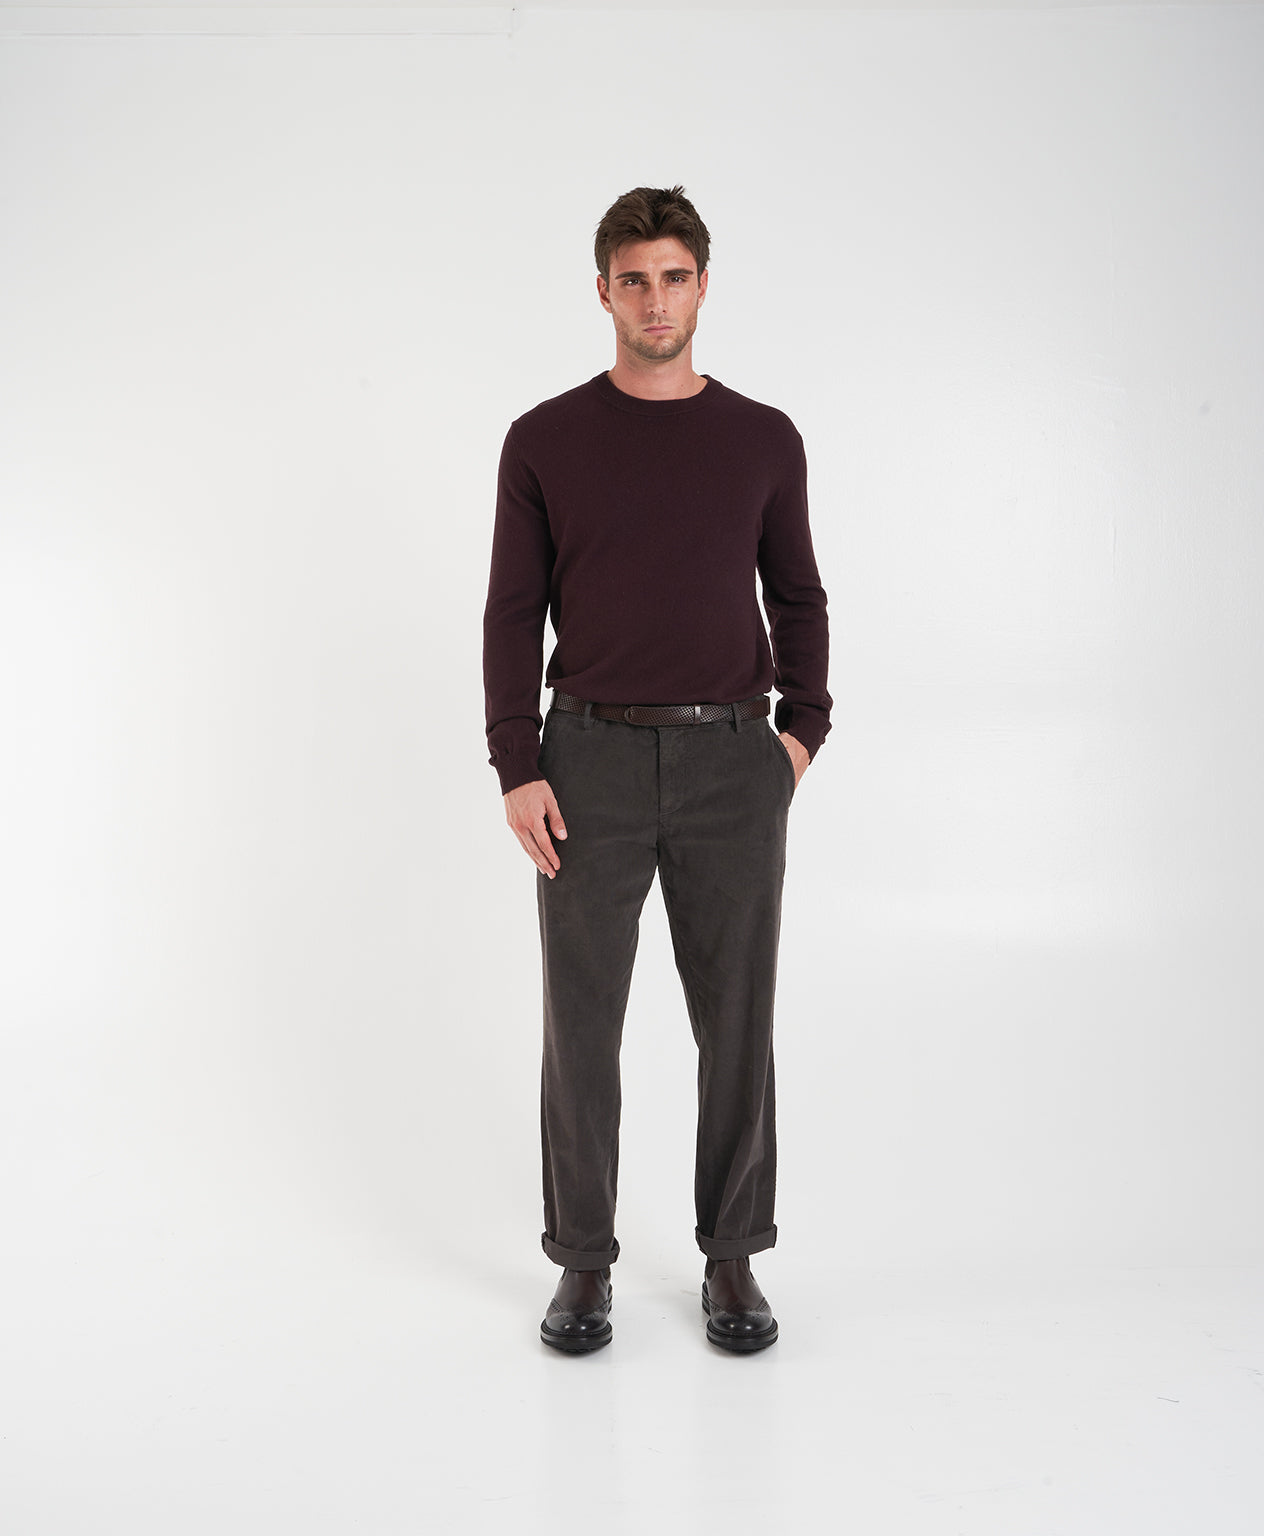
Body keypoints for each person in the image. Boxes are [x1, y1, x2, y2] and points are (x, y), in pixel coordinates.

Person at [482, 185, 832, 1353]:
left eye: (673, 276)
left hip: (733, 757)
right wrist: (516, 762)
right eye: (632, 279)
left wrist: (798, 736)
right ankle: (582, 1265)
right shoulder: (543, 439)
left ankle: (731, 1256)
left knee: (735, 1021)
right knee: (579, 1027)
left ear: (701, 286)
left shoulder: (763, 438)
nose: (654, 299)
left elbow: (796, 594)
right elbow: (511, 611)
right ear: (602, 292)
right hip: (584, 760)